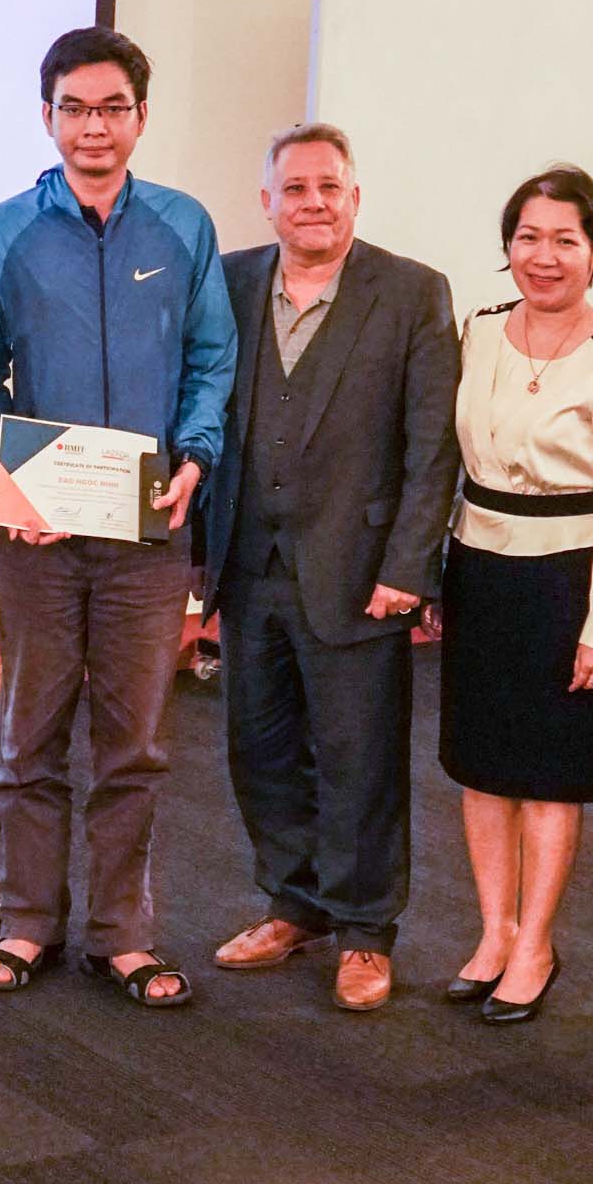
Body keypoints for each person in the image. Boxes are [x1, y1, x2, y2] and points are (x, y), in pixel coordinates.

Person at [0, 28, 233, 1007]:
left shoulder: (182, 226)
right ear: (48, 117)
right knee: (25, 738)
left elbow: (211, 357)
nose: (93, 126)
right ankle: (29, 917)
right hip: (35, 532)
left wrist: (196, 453)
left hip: (148, 529)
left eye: (112, 107)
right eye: (74, 108)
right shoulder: (5, 231)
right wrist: (9, 483)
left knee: (136, 741)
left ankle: (124, 931)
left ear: (140, 117)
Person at [199, 125, 458, 1013]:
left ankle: (363, 931)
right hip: (244, 563)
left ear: (355, 197)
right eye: (295, 189)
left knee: (359, 758)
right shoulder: (227, 282)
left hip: (359, 571)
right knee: (259, 748)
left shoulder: (412, 293)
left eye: (329, 188)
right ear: (266, 201)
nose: (313, 203)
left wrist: (410, 567)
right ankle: (293, 903)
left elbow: (432, 449)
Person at [436, 165, 593, 1024]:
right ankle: (492, 931)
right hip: (480, 569)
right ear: (507, 247)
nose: (544, 255)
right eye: (527, 237)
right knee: (481, 766)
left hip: (567, 580)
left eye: (565, 239)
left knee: (548, 776)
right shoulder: (480, 332)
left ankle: (535, 941)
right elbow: (446, 462)